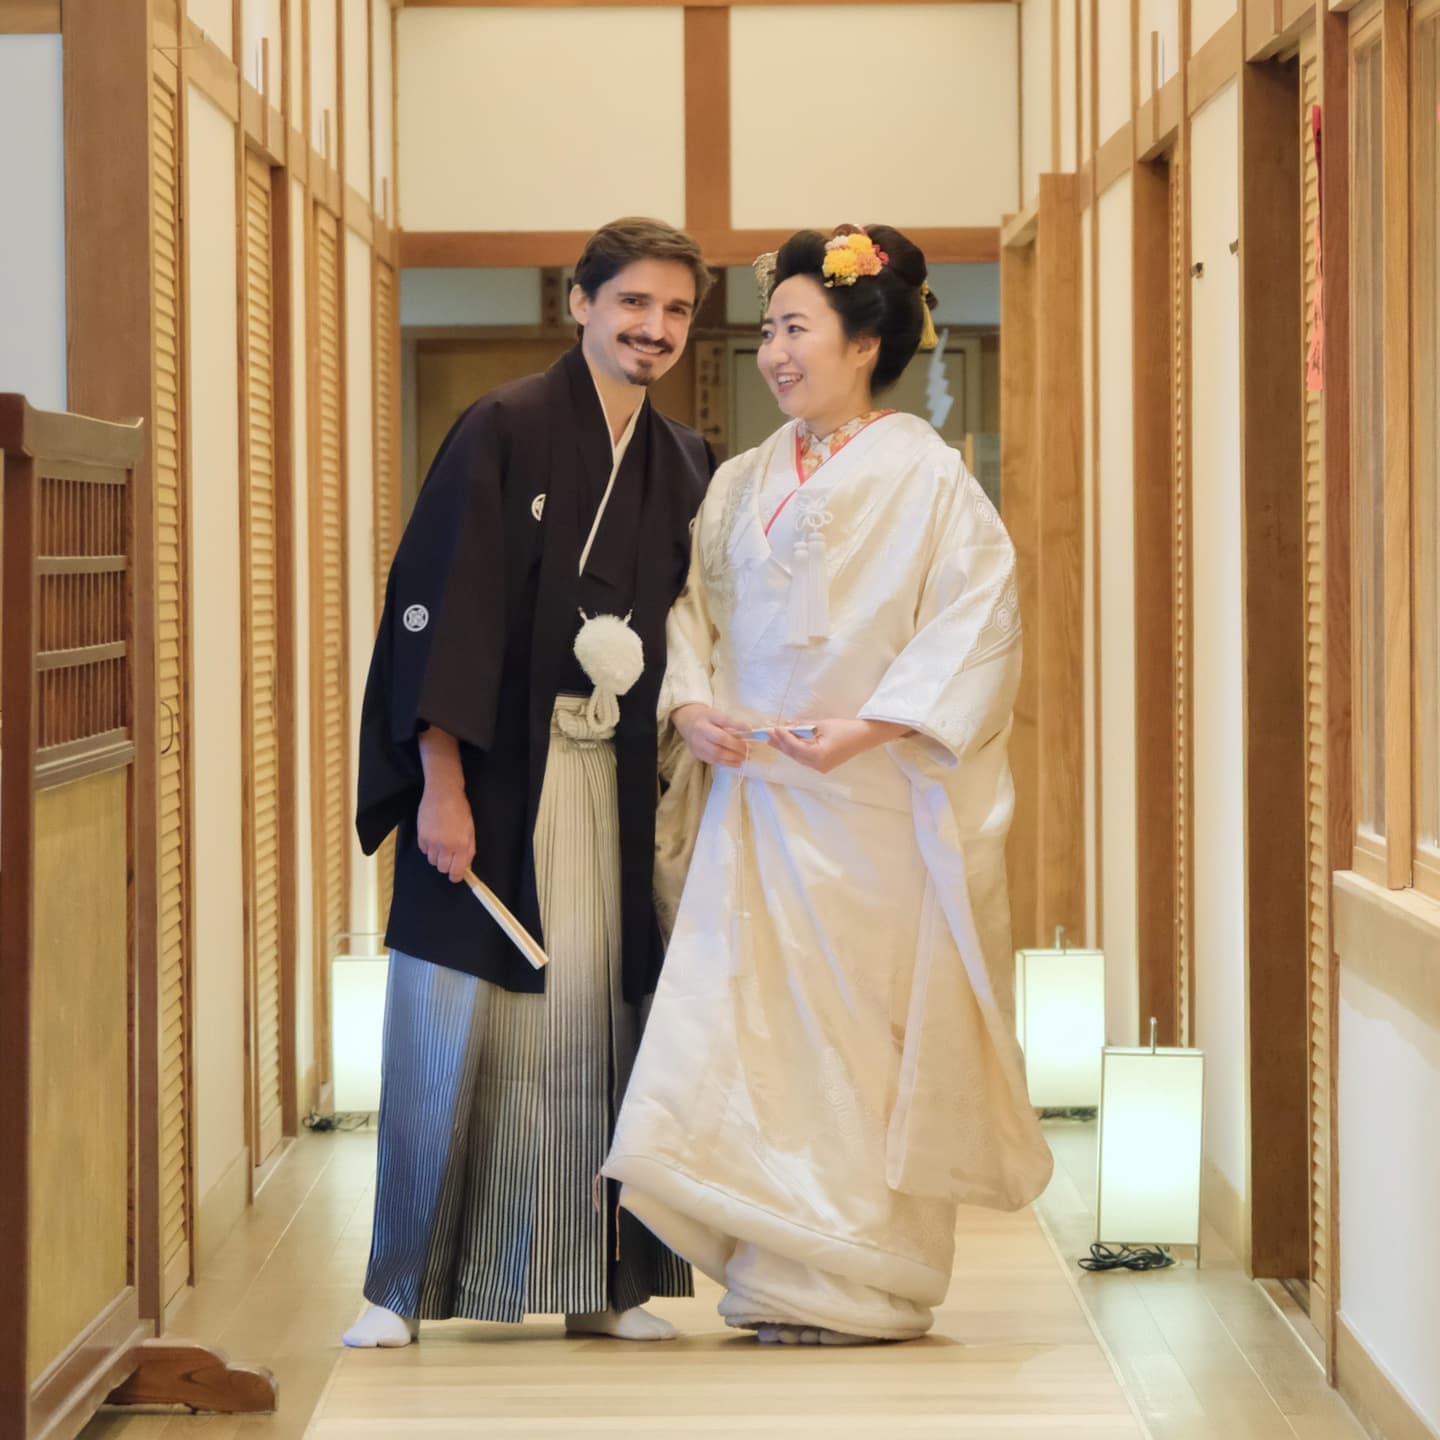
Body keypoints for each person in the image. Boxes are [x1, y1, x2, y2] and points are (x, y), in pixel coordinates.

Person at [603, 224, 1054, 1345]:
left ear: (865, 342)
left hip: (867, 807)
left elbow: (978, 626)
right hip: (755, 794)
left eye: (797, 328)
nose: (775, 353)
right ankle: (781, 1270)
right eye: (770, 330)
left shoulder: (933, 479)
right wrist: (691, 703)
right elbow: (690, 613)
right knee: (749, 1024)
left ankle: (867, 1278)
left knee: (860, 1036)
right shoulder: (742, 477)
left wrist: (869, 726)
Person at [345, 218, 715, 1349]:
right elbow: (436, 617)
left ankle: (601, 1283)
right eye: (633, 305)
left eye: (676, 311)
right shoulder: (500, 428)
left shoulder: (685, 460)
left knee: (600, 1027)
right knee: (449, 1021)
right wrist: (437, 786)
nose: (653, 329)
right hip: (498, 781)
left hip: (611, 788)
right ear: (581, 305)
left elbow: (698, 630)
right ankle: (396, 1288)